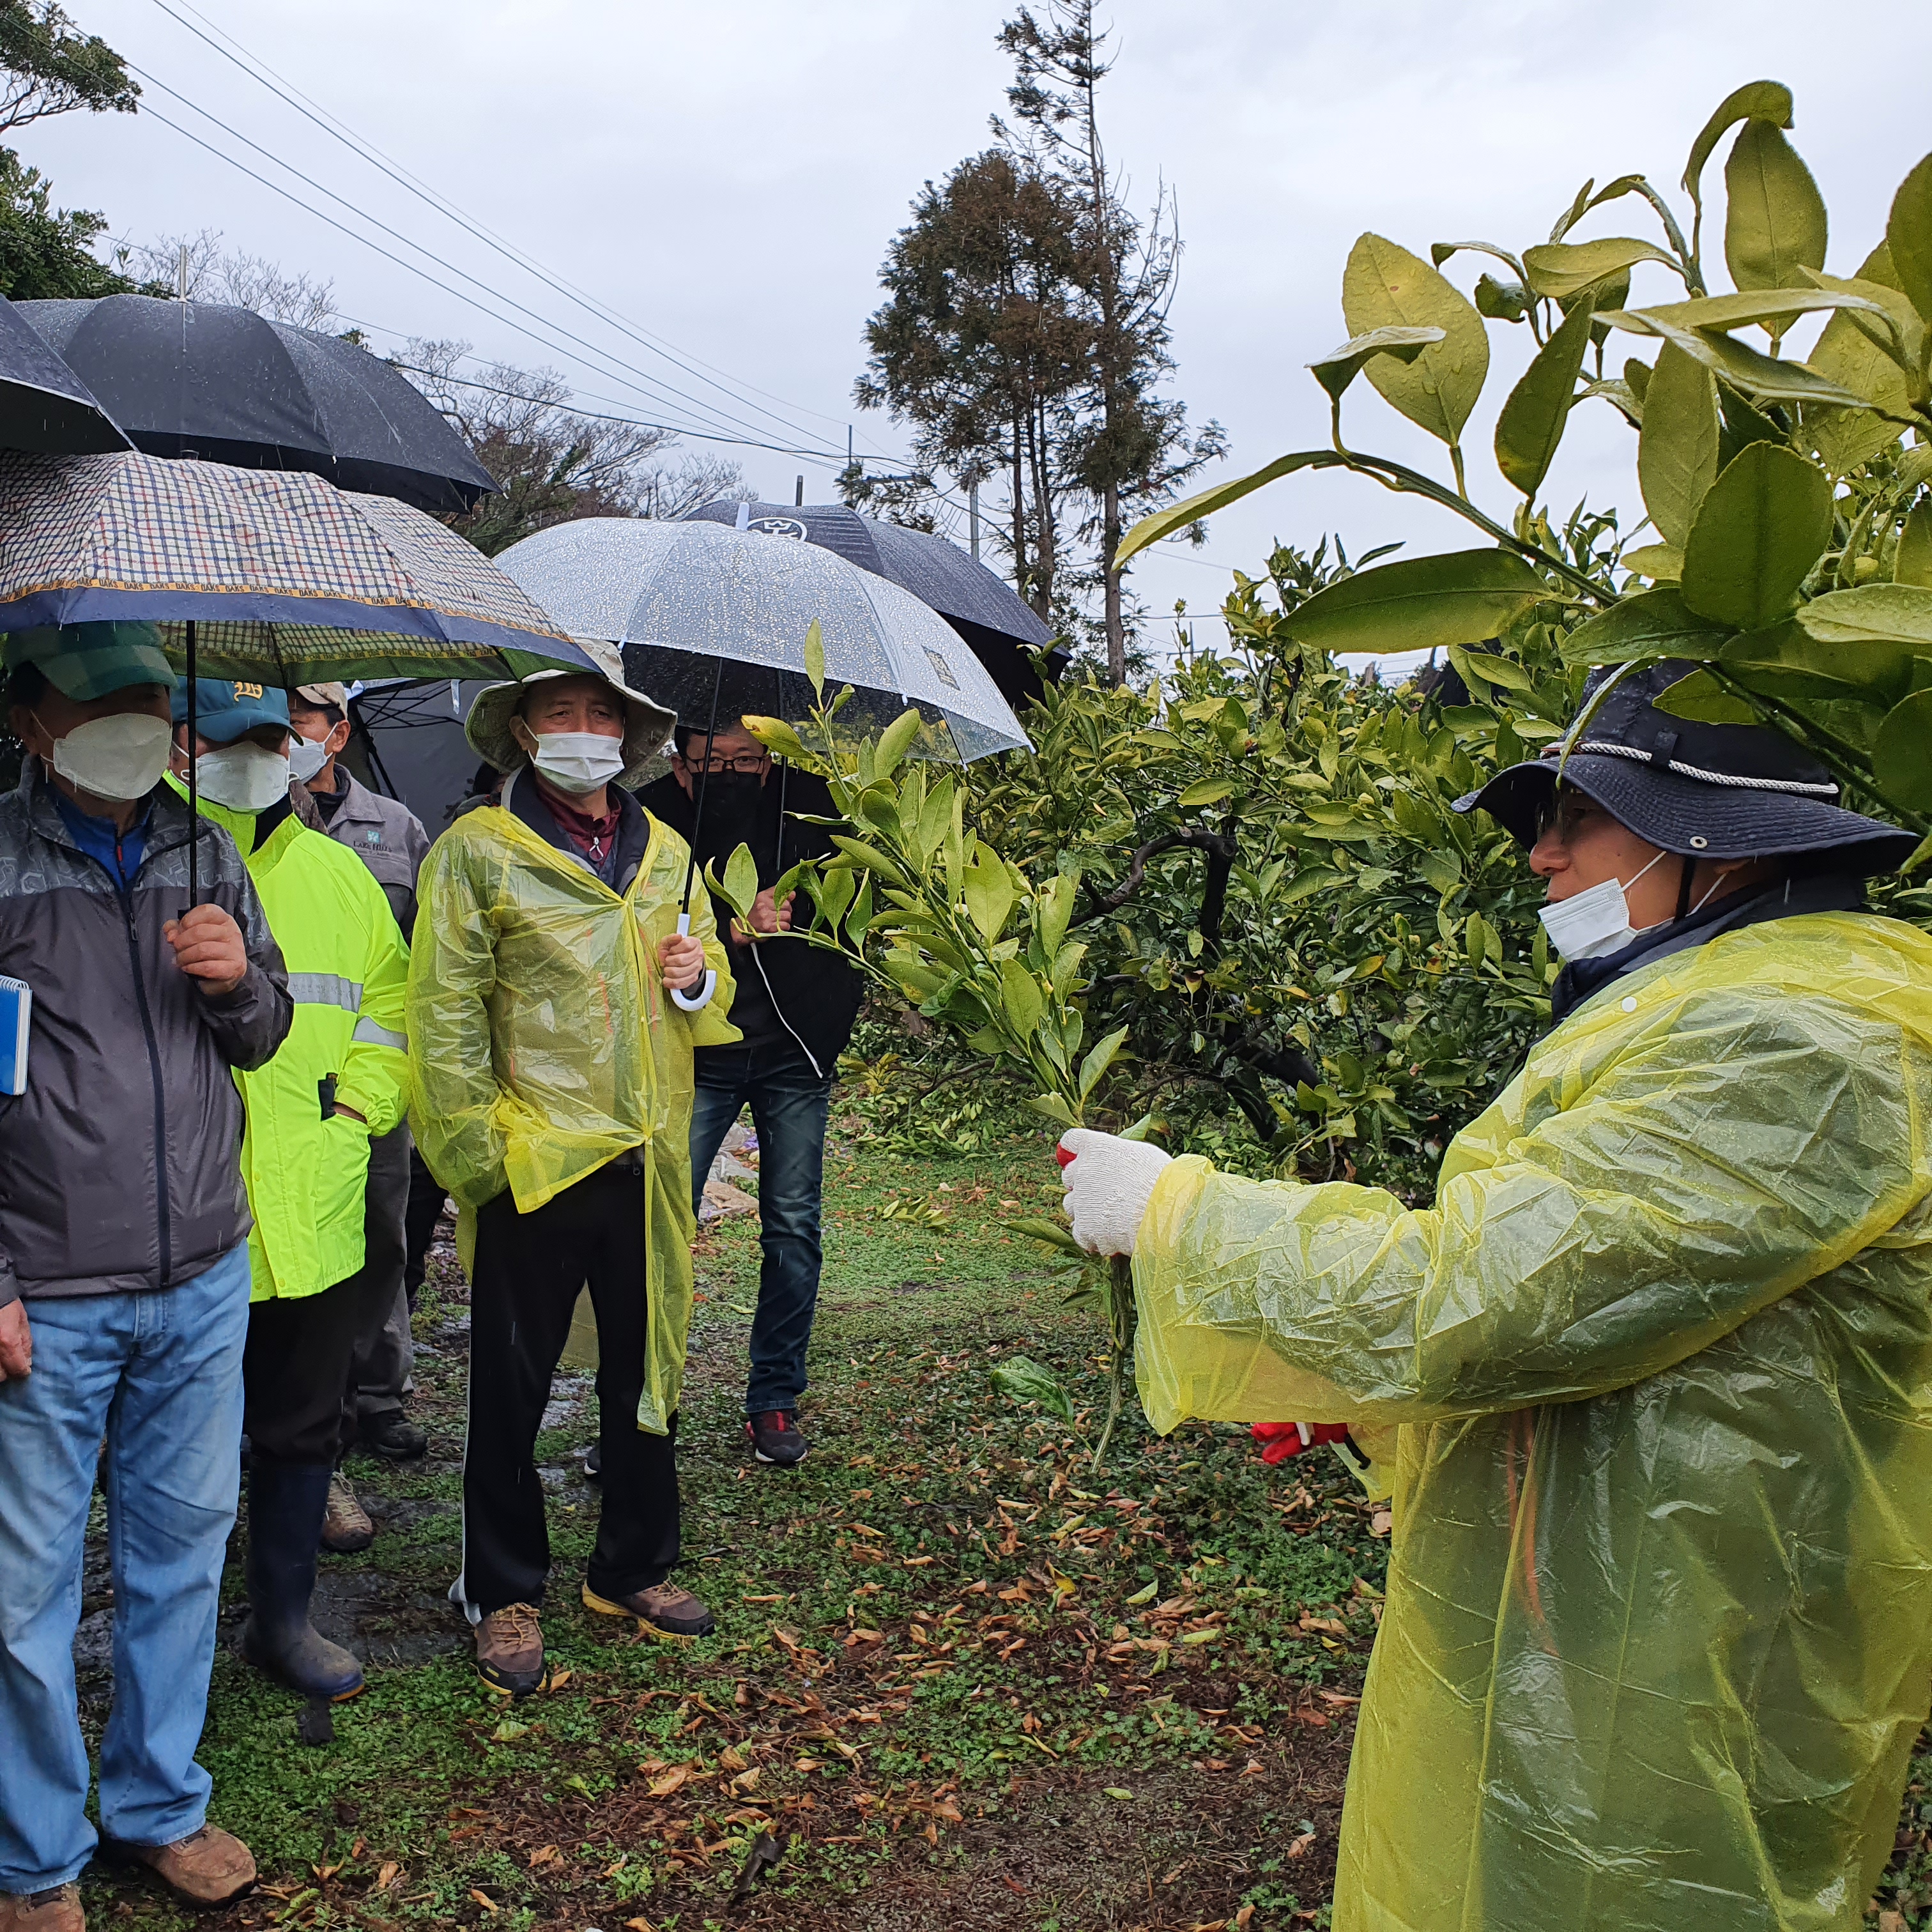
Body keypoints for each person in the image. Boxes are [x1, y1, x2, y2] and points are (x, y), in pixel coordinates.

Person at [1055, 661, 1932, 1932]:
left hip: (1696, 1641)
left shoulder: (1797, 1034)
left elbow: (1492, 1292)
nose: (1540, 857)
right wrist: (1364, 1401)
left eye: (1576, 817)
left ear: (1716, 838)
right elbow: (1615, 1310)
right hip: (1640, 1606)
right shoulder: (1732, 995)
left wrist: (1183, 1215)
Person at [0, 624, 292, 1930]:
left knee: (181, 1555)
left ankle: (160, 1805)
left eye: (145, 697)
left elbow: (269, 1027)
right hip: (46, 1289)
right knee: (25, 1590)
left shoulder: (203, 847)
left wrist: (236, 987)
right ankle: (35, 1857)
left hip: (199, 1275)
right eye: (101, 700)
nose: (133, 719)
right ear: (31, 723)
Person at [407, 664, 736, 1699]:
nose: (586, 731)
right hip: (534, 1163)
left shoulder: (670, 852)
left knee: (646, 1368)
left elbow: (706, 983)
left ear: (630, 735)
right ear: (521, 727)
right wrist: (481, 1161)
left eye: (605, 716)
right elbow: (445, 1015)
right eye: (564, 712)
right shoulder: (476, 853)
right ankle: (501, 1584)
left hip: (644, 1157)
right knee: (510, 1381)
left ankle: (631, 1564)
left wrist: (695, 977)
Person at [169, 679, 410, 1705]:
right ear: (183, 743)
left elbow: (389, 1008)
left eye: (275, 735)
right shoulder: (160, 869)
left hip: (315, 1199)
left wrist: (359, 1108)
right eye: (231, 737)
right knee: (178, 1445)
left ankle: (283, 1618)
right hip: (191, 1209)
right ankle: (174, 1638)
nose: (259, 754)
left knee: (303, 1425)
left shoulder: (340, 875)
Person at [640, 716, 861, 1466]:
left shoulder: (815, 813)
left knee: (793, 1227)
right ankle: (644, 1402)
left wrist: (800, 919)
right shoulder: (651, 824)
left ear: (769, 761)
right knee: (663, 1223)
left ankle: (773, 1398)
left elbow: (860, 914)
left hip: (793, 1051)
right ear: (679, 765)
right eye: (710, 762)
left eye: (745, 759)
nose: (729, 773)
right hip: (695, 1054)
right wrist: (720, 927)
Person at [285, 682, 433, 1492]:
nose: (288, 733)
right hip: (278, 1084)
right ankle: (309, 1414)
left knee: (382, 1238)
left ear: (337, 733)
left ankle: (379, 1391)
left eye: (302, 720)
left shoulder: (396, 826)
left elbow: (414, 961)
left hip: (371, 1077)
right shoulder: (235, 821)